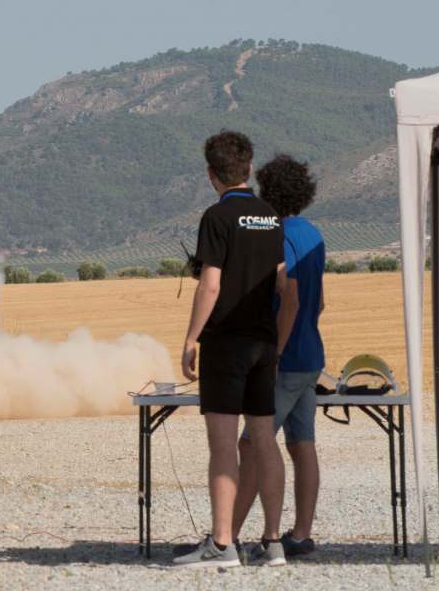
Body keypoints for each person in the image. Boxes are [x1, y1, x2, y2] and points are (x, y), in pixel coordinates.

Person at [173, 132, 297, 569]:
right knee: (265, 441)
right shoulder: (271, 216)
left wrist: (191, 338)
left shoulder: (217, 217)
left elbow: (211, 283)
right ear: (249, 167)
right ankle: (273, 542)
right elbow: (283, 284)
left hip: (226, 344)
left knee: (223, 445)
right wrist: (276, 343)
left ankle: (223, 544)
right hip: (264, 344)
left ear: (211, 174)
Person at [232, 154, 325, 559]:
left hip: (286, 362)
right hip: (312, 357)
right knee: (302, 444)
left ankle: (227, 536)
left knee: (253, 444)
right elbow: (319, 304)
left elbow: (291, 297)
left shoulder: (277, 235)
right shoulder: (314, 235)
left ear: (267, 191)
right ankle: (300, 534)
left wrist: (277, 352)